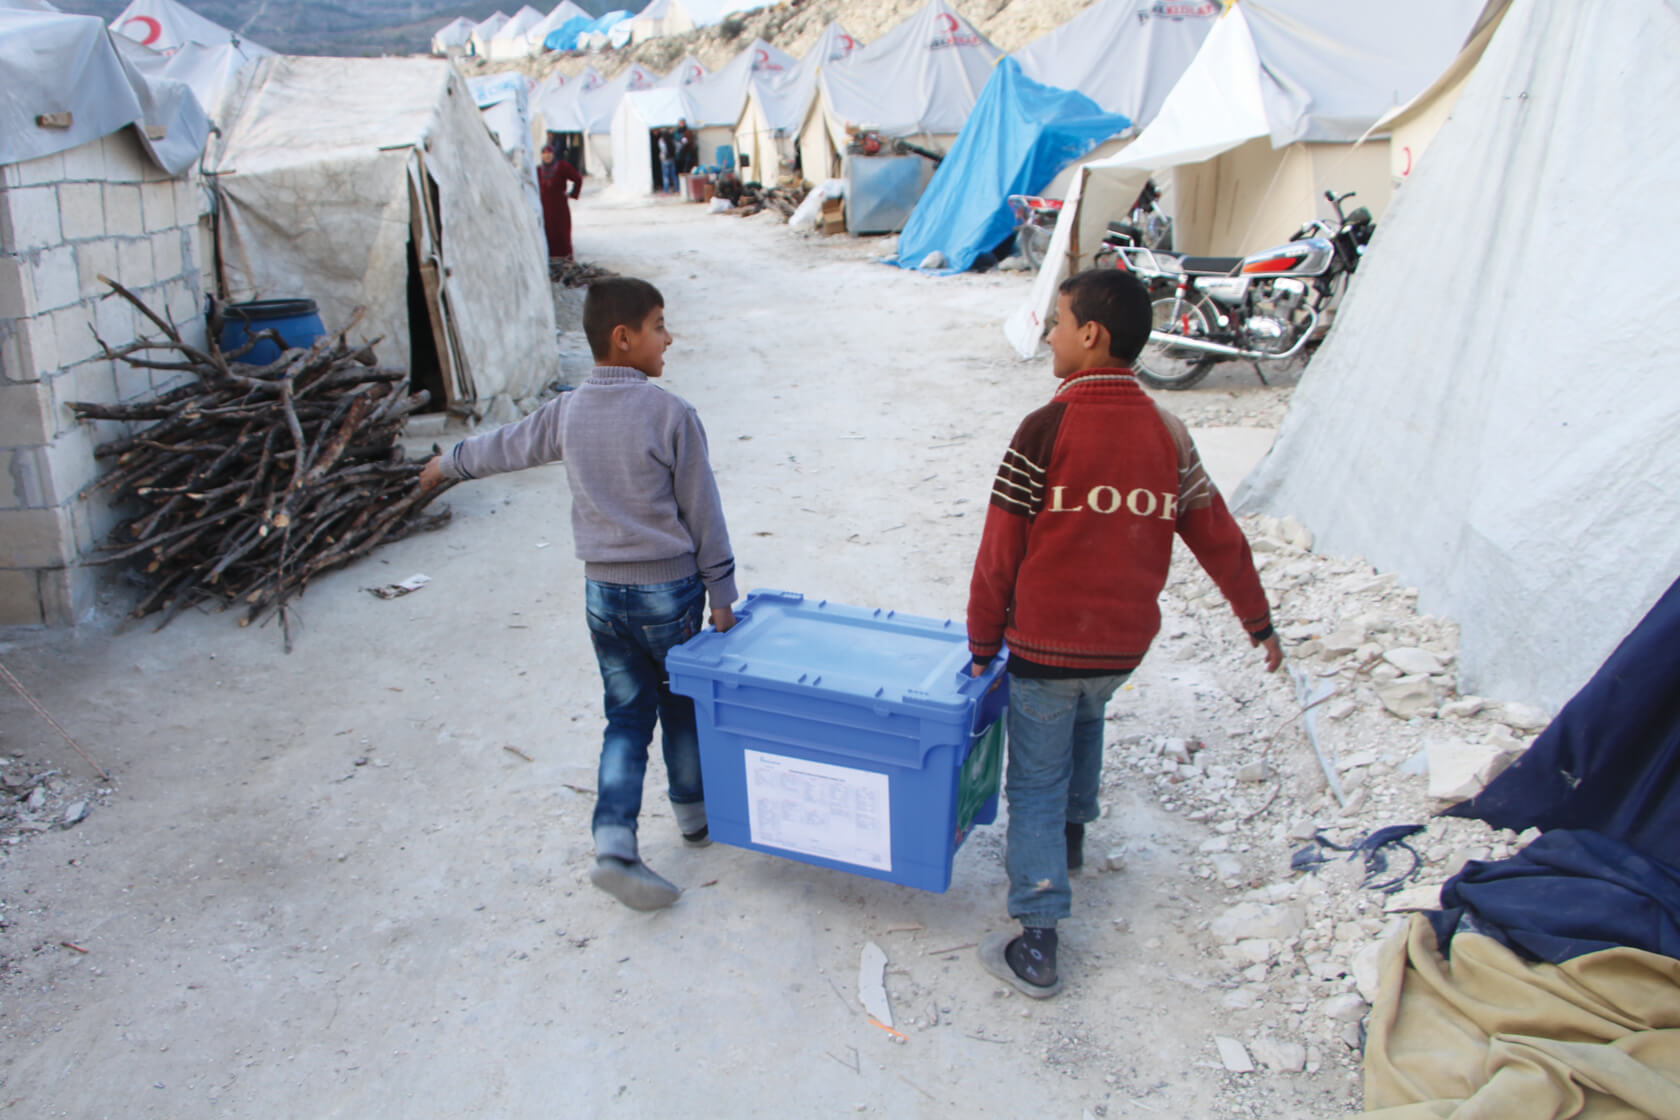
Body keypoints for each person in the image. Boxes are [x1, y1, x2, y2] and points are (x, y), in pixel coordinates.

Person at [965, 268, 1283, 997]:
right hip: (1121, 648)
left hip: (1045, 646)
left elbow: (999, 552)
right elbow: (1218, 536)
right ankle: (1073, 840)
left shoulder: (1045, 428)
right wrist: (1256, 620)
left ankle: (1038, 939)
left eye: (1057, 321)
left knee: (1035, 782)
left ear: (1091, 335)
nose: (1047, 333)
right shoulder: (1167, 432)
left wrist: (983, 643)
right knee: (1087, 718)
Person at [419, 277, 738, 912]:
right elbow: (703, 512)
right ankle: (695, 818)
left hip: (602, 597)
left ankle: (615, 841)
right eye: (657, 324)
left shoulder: (568, 412)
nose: (668, 337)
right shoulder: (671, 414)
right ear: (624, 339)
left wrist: (448, 460)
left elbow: (503, 445)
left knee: (624, 717)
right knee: (679, 707)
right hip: (667, 596)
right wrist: (721, 594)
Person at [538, 139, 583, 260]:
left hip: (560, 209)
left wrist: (572, 194)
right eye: (544, 153)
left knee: (562, 235)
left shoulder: (562, 167)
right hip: (545, 210)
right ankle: (551, 261)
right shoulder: (538, 170)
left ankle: (566, 261)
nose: (547, 156)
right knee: (548, 235)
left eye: (549, 153)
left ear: (553, 154)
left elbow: (577, 178)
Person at [657, 130, 676, 195]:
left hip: (665, 160)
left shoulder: (662, 141)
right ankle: (677, 190)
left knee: (665, 176)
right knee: (673, 175)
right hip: (671, 159)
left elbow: (663, 150)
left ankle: (666, 191)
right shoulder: (671, 140)